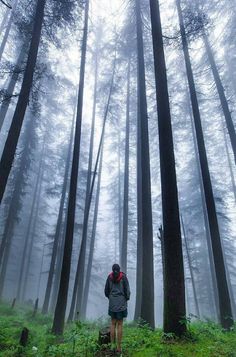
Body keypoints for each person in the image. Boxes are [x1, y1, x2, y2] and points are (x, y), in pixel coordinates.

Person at [104, 263, 130, 355]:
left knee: (112, 323)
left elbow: (106, 291)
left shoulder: (109, 277)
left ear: (112, 270)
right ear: (119, 270)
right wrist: (126, 298)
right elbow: (127, 290)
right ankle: (119, 348)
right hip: (121, 303)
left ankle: (112, 346)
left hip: (112, 303)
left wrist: (111, 297)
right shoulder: (123, 277)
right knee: (120, 324)